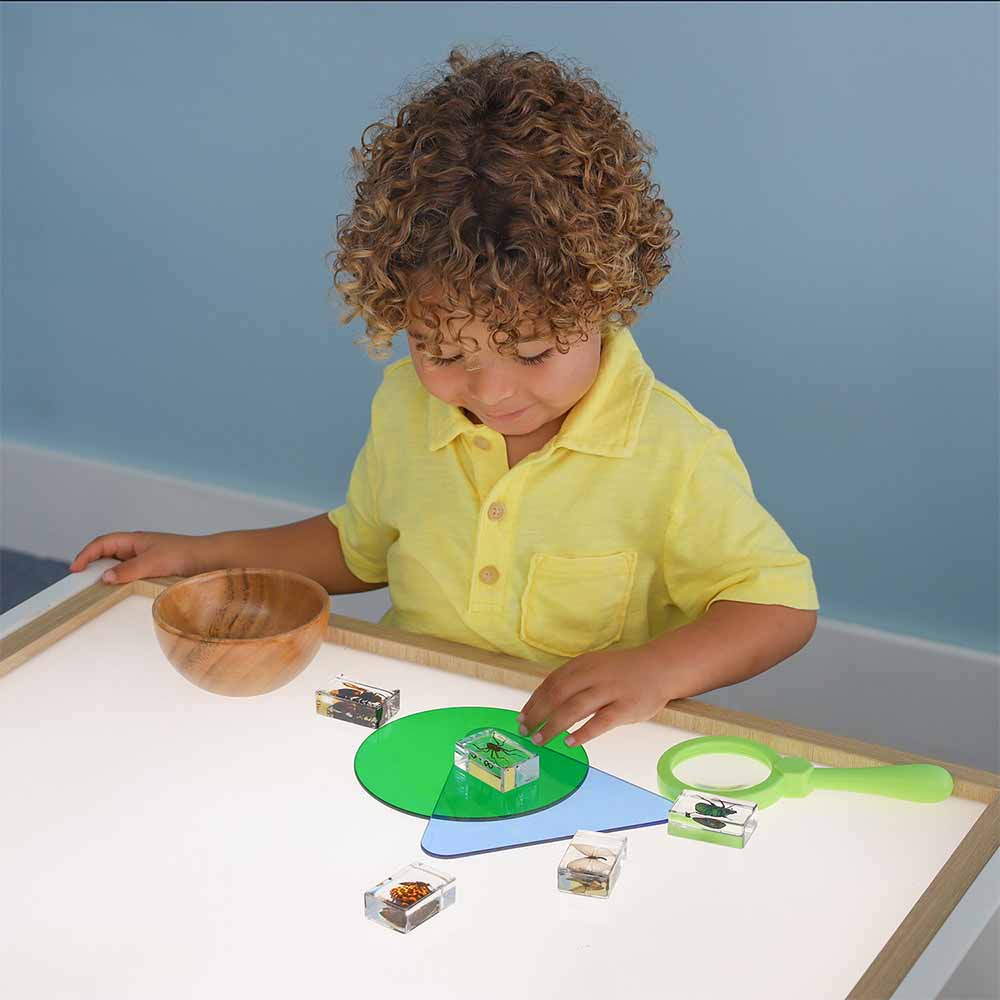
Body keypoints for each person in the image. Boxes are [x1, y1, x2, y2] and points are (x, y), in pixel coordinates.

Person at [71, 47, 818, 748]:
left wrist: (658, 671)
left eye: (532, 352)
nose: (490, 390)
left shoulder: (674, 453)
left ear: (604, 299)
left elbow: (778, 606)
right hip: (416, 721)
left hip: (577, 747)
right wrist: (202, 555)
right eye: (445, 353)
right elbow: (360, 547)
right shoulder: (405, 406)